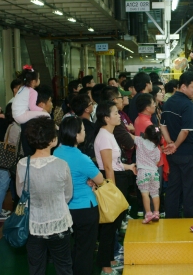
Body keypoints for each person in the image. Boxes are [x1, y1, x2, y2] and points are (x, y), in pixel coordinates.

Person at [16, 116, 73, 275]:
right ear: (53, 140)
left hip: (33, 225)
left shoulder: (22, 164)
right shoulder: (61, 165)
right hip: (59, 223)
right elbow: (68, 195)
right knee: (64, 266)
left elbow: (21, 194)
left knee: (36, 267)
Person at [54, 116, 104, 275]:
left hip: (64, 207)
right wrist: (91, 180)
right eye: (83, 130)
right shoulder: (82, 158)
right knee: (86, 249)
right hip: (85, 209)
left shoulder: (56, 152)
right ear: (76, 135)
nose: (85, 132)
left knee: (72, 246)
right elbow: (100, 179)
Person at [94, 100, 136, 275]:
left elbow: (116, 163)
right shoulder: (103, 136)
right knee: (109, 226)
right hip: (112, 180)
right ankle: (105, 266)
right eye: (115, 113)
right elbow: (108, 166)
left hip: (118, 176)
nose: (119, 115)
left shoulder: (110, 134)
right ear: (106, 118)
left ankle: (110, 258)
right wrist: (113, 190)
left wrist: (129, 167)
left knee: (115, 223)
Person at [160, 71, 193, 218]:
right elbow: (185, 131)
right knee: (190, 189)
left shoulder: (168, 102)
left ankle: (171, 218)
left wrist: (170, 142)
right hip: (189, 153)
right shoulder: (187, 105)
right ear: (183, 86)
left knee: (173, 187)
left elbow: (162, 124)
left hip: (174, 155)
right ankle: (190, 220)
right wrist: (175, 144)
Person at [135, 125, 161, 224]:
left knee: (145, 194)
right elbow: (157, 162)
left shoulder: (140, 141)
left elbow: (131, 138)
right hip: (154, 172)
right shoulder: (156, 149)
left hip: (143, 172)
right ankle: (156, 213)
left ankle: (148, 213)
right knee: (155, 193)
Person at [70, 94, 97, 159]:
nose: (92, 104)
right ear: (86, 109)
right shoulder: (91, 127)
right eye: (91, 103)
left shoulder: (72, 124)